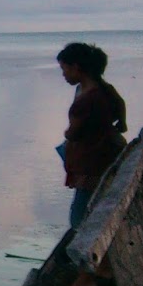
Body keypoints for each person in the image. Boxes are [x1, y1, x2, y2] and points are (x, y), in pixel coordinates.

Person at [57, 41, 127, 229]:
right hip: (104, 152)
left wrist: (68, 133)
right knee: (91, 198)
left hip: (90, 160)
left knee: (78, 213)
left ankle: (78, 243)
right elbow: (120, 105)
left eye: (64, 69)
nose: (63, 74)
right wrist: (121, 123)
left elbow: (73, 133)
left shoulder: (86, 100)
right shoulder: (103, 89)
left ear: (76, 67)